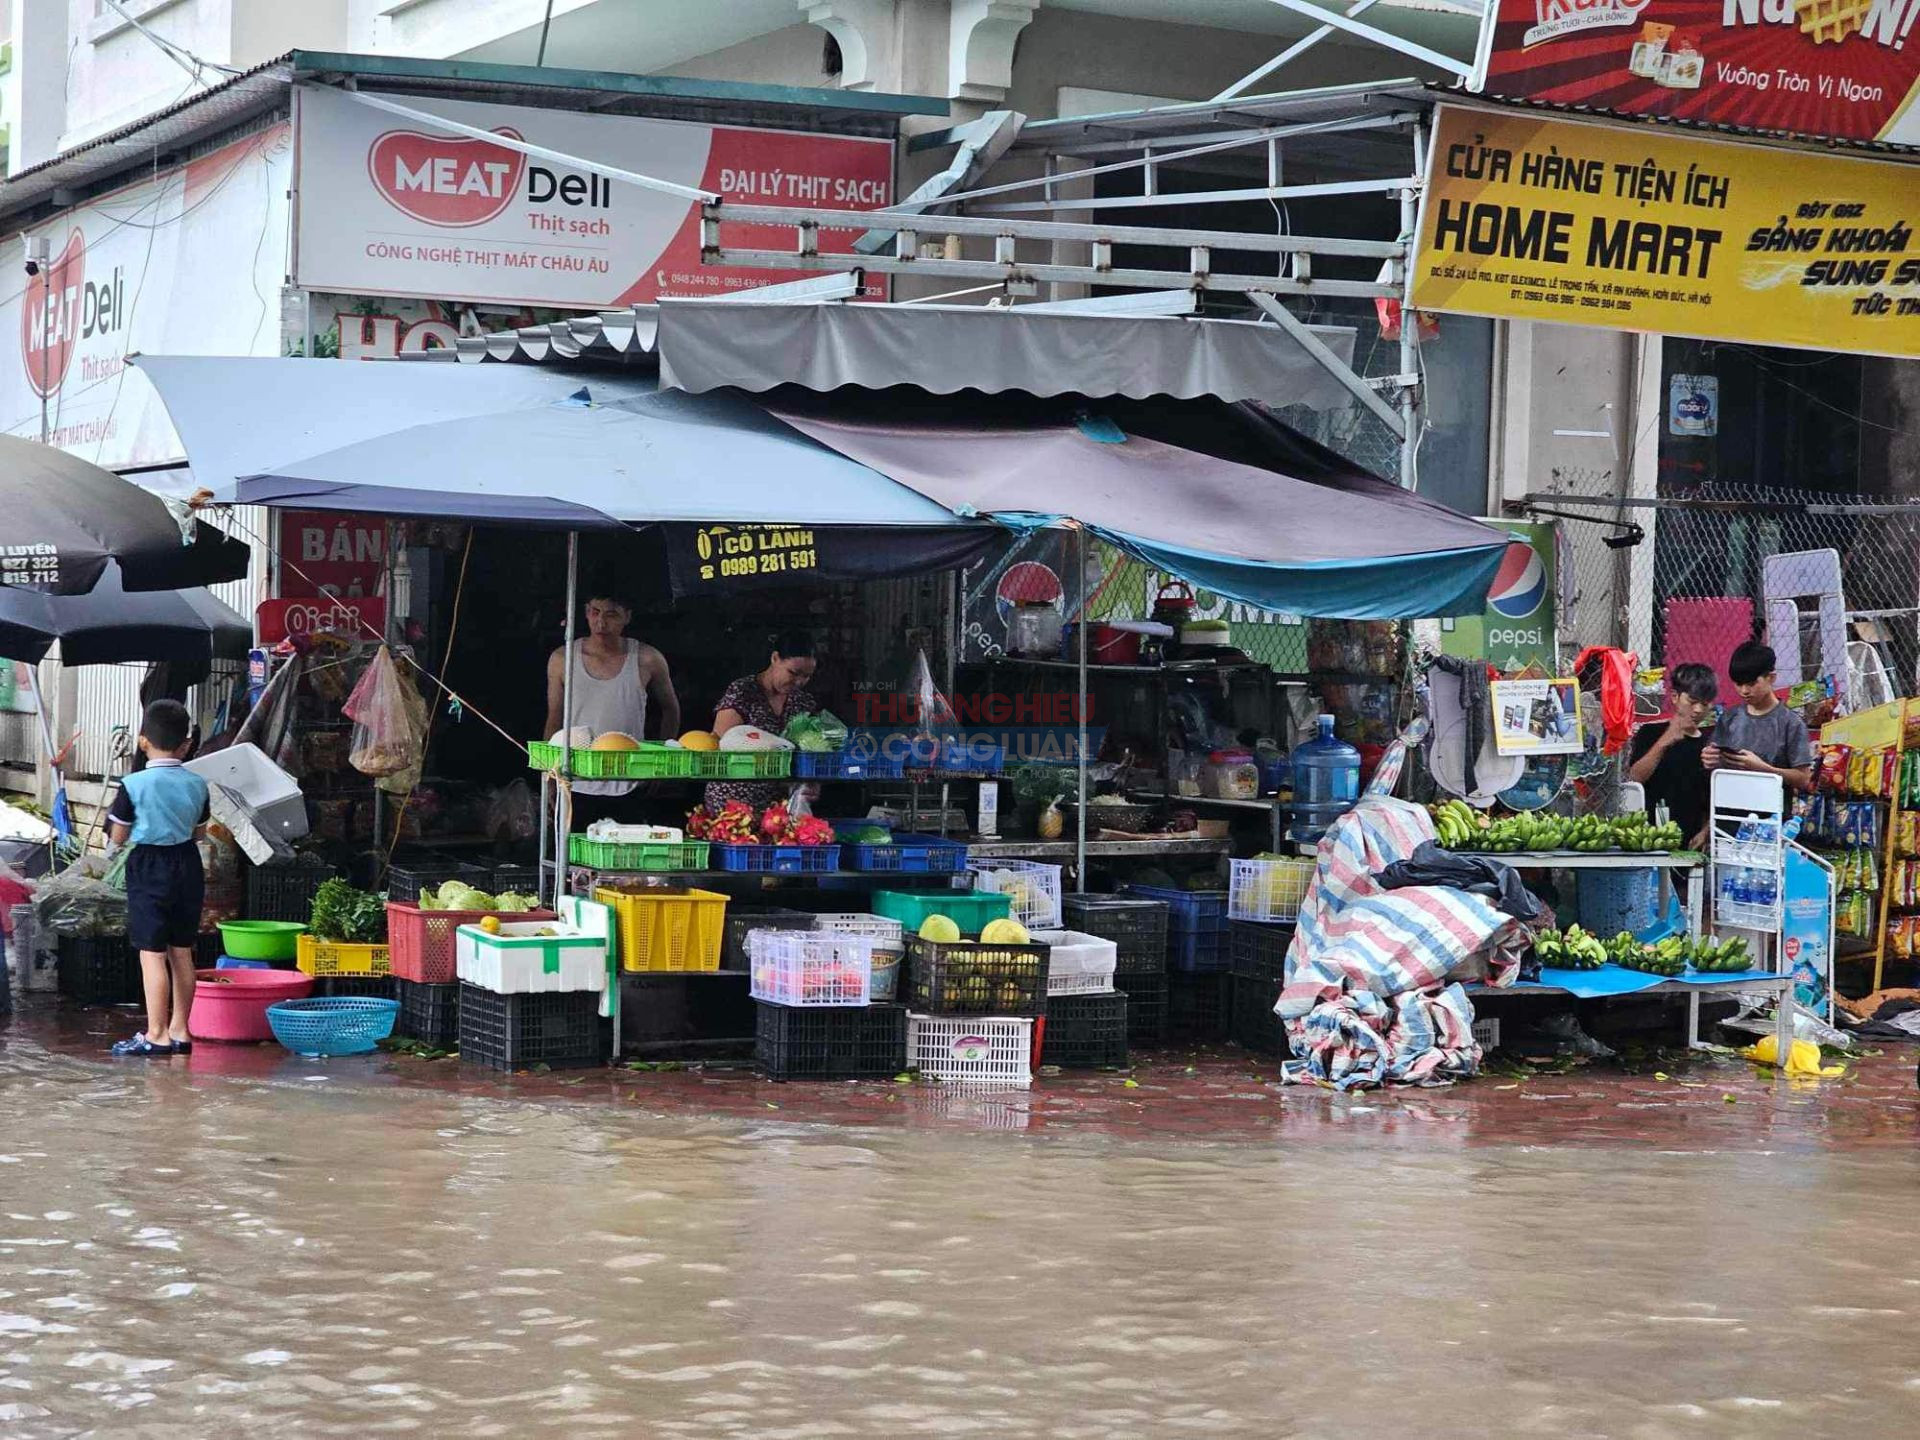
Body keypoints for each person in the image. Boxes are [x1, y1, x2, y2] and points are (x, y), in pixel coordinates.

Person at [106, 700, 210, 1057]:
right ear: (185, 745)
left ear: (142, 741)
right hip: (188, 863)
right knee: (182, 951)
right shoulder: (198, 783)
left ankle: (156, 1034)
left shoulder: (133, 784)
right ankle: (181, 1031)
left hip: (149, 865)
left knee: (151, 954)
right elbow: (200, 833)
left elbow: (117, 837)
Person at [544, 588, 681, 827]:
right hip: (574, 780)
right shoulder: (562, 659)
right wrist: (548, 774)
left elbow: (671, 709)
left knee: (625, 859)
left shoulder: (647, 658)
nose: (601, 622)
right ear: (586, 613)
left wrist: (663, 763)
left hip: (629, 781)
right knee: (574, 862)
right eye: (595, 612)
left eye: (612, 615)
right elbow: (554, 718)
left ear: (627, 617)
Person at [704, 630, 822, 815]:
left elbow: (810, 752)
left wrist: (810, 782)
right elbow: (720, 750)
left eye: (807, 676)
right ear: (775, 658)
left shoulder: (803, 703)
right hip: (734, 803)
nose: (799, 681)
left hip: (780, 809)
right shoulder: (743, 692)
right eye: (793, 672)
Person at [1703, 640, 1814, 793]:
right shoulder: (1729, 718)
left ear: (1771, 677)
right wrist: (1709, 758)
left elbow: (1803, 778)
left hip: (1772, 811)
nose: (1744, 691)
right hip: (1729, 805)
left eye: (1751, 683)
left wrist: (1764, 768)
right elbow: (1715, 761)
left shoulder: (1791, 723)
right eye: (1738, 684)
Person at [1627, 662, 1716, 848]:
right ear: (1675, 697)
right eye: (1692, 702)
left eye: (1705, 704)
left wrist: (1706, 831)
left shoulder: (1709, 745)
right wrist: (1664, 742)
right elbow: (1635, 778)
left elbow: (1712, 797)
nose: (1698, 709)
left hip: (1690, 840)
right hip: (1646, 838)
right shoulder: (1650, 733)